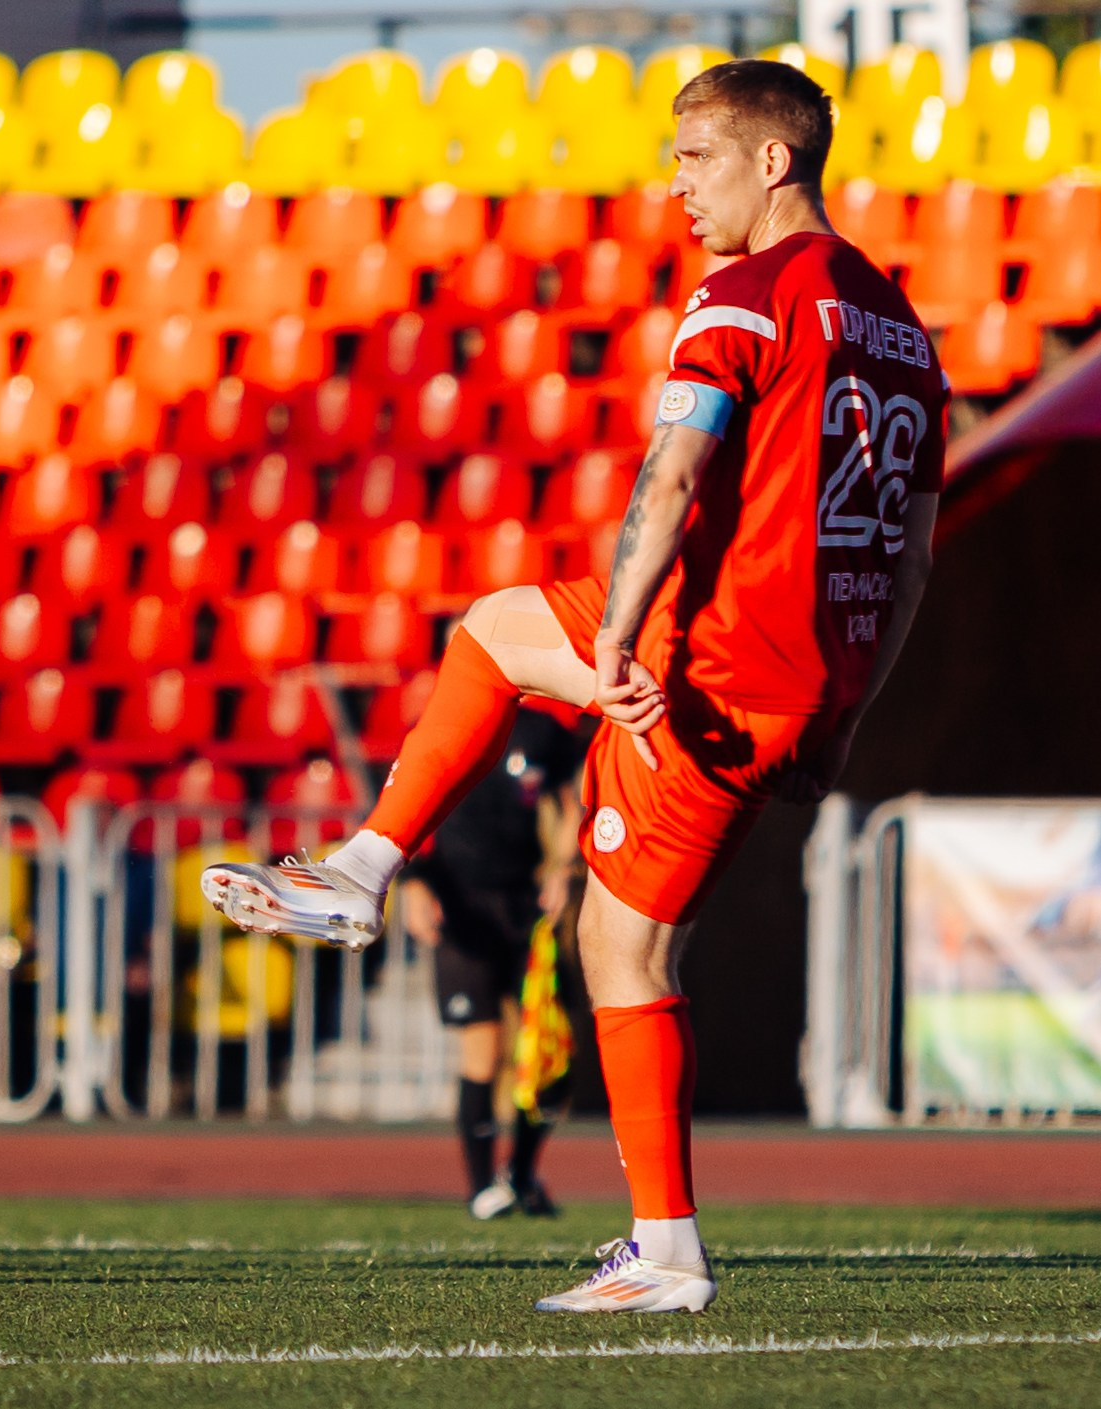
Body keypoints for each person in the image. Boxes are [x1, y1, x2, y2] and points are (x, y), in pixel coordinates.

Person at [204, 59, 945, 1312]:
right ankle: (372, 877)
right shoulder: (903, 328)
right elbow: (916, 551)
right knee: (615, 917)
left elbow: (669, 476)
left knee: (582, 844)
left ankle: (369, 875)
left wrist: (616, 642)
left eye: (694, 159)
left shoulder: (744, 297)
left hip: (701, 662)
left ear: (771, 162)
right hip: (807, 682)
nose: (674, 188)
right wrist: (850, 711)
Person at [397, 705, 581, 1219]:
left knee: (550, 1052)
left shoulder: (544, 731)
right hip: (460, 906)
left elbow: (572, 806)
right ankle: (482, 1189)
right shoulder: (439, 725)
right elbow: (410, 811)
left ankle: (519, 1175)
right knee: (483, 1050)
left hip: (525, 909)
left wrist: (563, 869)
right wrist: (413, 885)